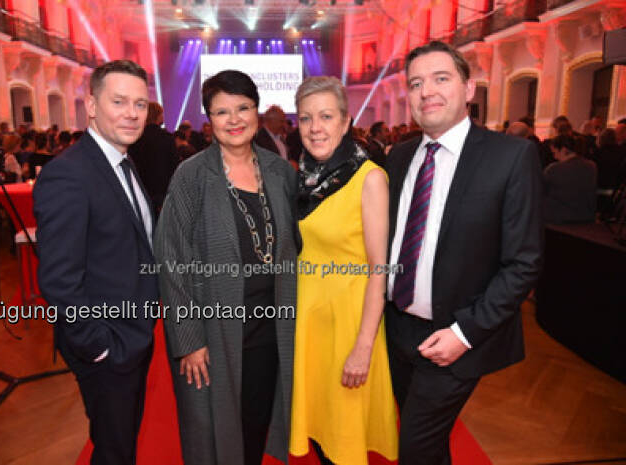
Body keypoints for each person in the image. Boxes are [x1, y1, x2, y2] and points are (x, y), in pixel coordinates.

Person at [384, 41, 542, 464]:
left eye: (440, 78)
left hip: (456, 336)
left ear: (468, 88)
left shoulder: (511, 156)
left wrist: (464, 333)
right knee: (426, 443)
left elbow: (523, 263)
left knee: (414, 448)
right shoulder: (398, 158)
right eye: (416, 83)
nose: (426, 91)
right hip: (396, 330)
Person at [155, 70, 299, 465]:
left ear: (256, 111)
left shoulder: (280, 172)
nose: (234, 119)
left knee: (255, 424)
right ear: (209, 120)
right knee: (214, 435)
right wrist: (188, 339)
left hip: (271, 328)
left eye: (242, 108)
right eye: (222, 112)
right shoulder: (191, 175)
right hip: (214, 329)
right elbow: (171, 258)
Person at [33, 59, 159, 465]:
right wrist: (99, 346)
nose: (132, 113)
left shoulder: (121, 160)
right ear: (91, 106)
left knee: (119, 444)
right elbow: (58, 281)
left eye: (140, 104)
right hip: (109, 344)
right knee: (115, 451)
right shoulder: (68, 174)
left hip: (133, 333)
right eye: (119, 101)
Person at [287, 77, 397, 465]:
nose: (315, 127)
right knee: (319, 435)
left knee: (342, 442)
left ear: (346, 121)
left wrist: (363, 347)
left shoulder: (369, 180)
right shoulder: (301, 178)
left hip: (347, 326)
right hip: (309, 324)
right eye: (305, 118)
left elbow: (378, 269)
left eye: (326, 116)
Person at [128, 101, 179, 214]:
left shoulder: (135, 138)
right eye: (162, 114)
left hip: (141, 188)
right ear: (158, 116)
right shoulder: (166, 138)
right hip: (162, 189)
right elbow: (174, 166)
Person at [543, 134, 597, 224]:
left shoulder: (554, 169)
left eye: (554, 153)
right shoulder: (592, 166)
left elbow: (540, 190)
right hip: (586, 217)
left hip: (558, 218)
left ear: (564, 150)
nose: (554, 157)